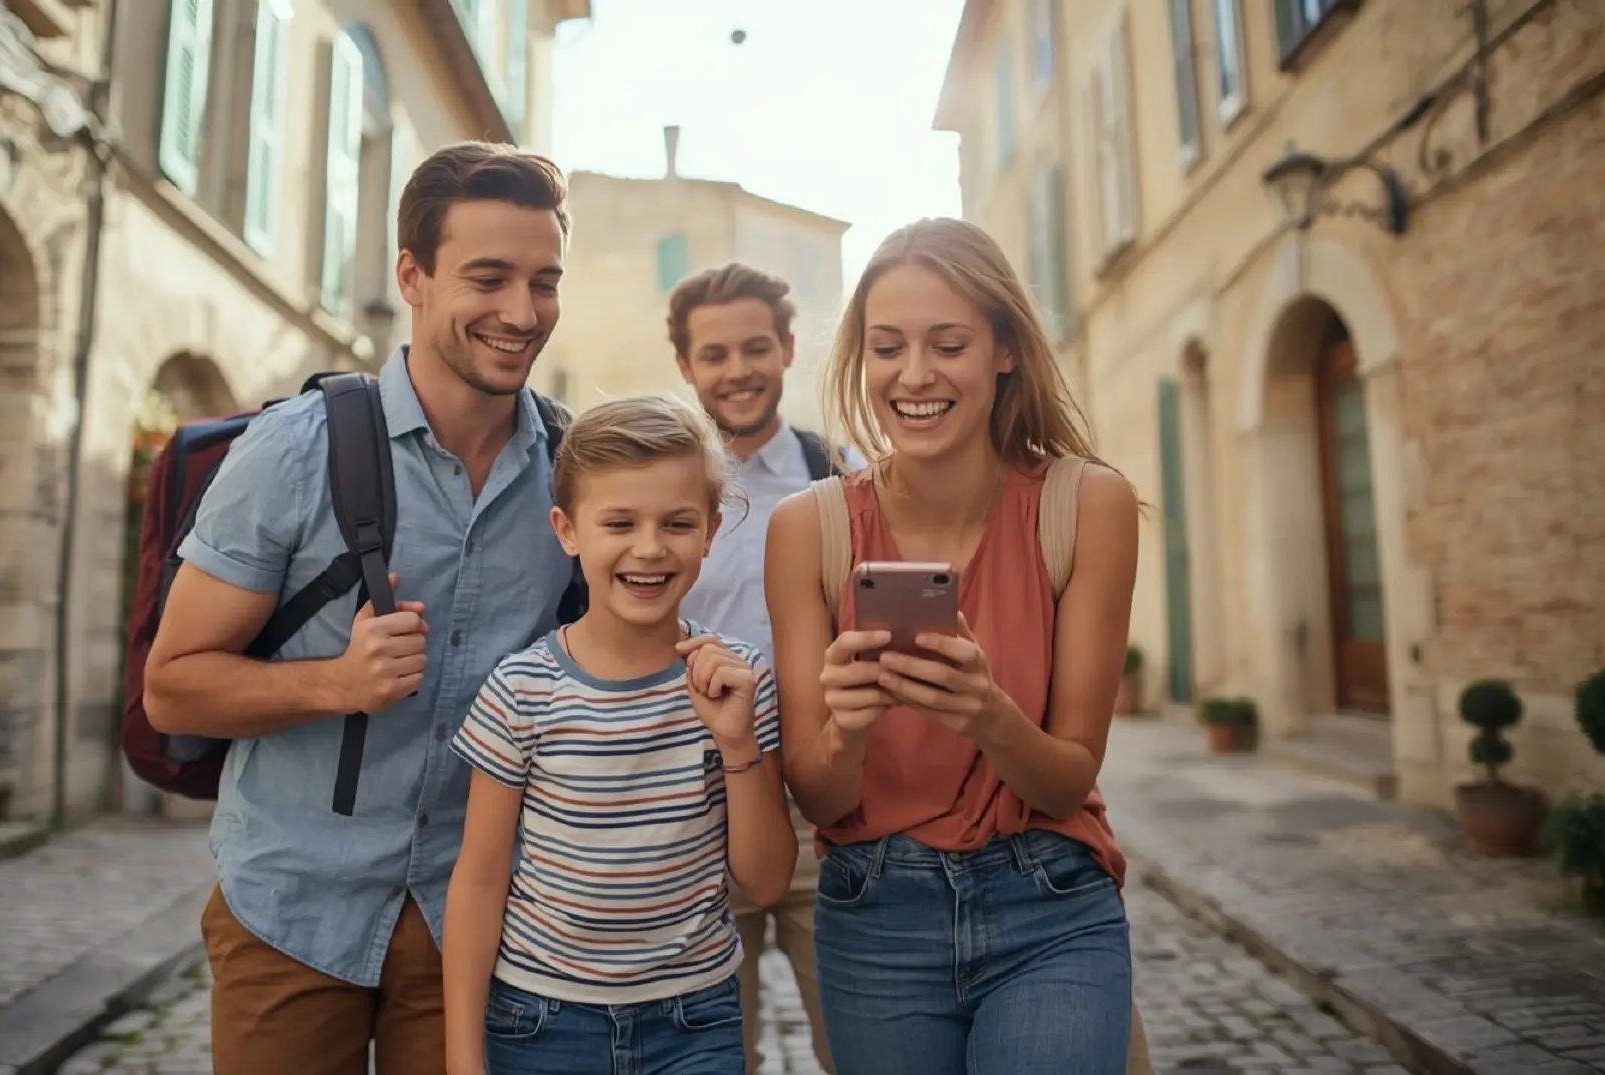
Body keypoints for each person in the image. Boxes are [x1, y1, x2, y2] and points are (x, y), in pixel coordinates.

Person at [142, 141, 577, 1075]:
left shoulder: (574, 474)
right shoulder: (291, 450)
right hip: (293, 911)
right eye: (488, 277)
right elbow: (172, 690)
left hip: (479, 924)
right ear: (411, 276)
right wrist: (335, 681)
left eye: (543, 282)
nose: (520, 312)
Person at [763, 217, 1141, 1073]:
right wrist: (846, 730)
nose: (915, 374)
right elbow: (820, 801)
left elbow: (1067, 775)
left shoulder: (1087, 505)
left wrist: (988, 714)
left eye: (947, 343)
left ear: (1003, 350)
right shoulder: (807, 529)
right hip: (874, 916)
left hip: (1049, 902)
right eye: (886, 346)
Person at [443, 394, 799, 1075]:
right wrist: (463, 1057)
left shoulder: (739, 679)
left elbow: (767, 877)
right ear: (567, 529)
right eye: (618, 522)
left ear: (710, 530)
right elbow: (480, 878)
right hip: (541, 1020)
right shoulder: (522, 689)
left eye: (676, 523)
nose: (648, 547)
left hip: (694, 1020)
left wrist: (736, 746)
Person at [667, 262, 840, 1074]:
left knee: (857, 1043)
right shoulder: (659, 490)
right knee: (712, 1054)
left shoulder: (839, 479)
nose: (736, 370)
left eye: (754, 348)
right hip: (691, 809)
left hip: (821, 809)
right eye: (714, 354)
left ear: (787, 350)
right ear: (685, 366)